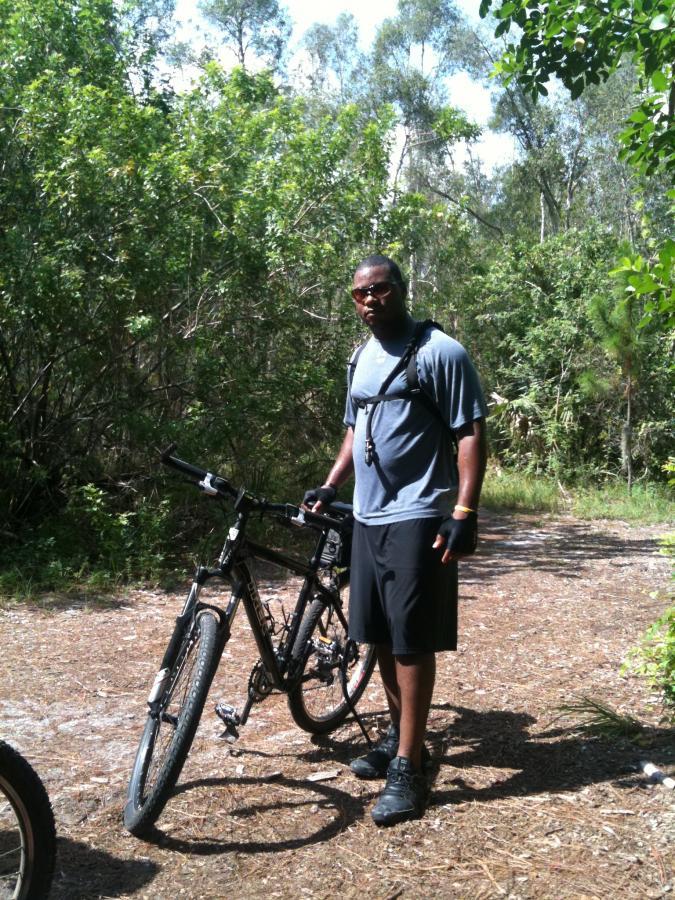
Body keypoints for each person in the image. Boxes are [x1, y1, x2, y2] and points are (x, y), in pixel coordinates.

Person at [303, 255, 487, 826]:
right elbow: (355, 429)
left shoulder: (442, 353)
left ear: (401, 290)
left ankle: (409, 765)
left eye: (380, 289)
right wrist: (333, 485)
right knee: (379, 634)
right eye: (360, 294)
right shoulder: (360, 358)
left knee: (410, 638)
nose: (370, 300)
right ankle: (400, 737)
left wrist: (464, 509)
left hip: (420, 511)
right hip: (368, 513)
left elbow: (470, 433)